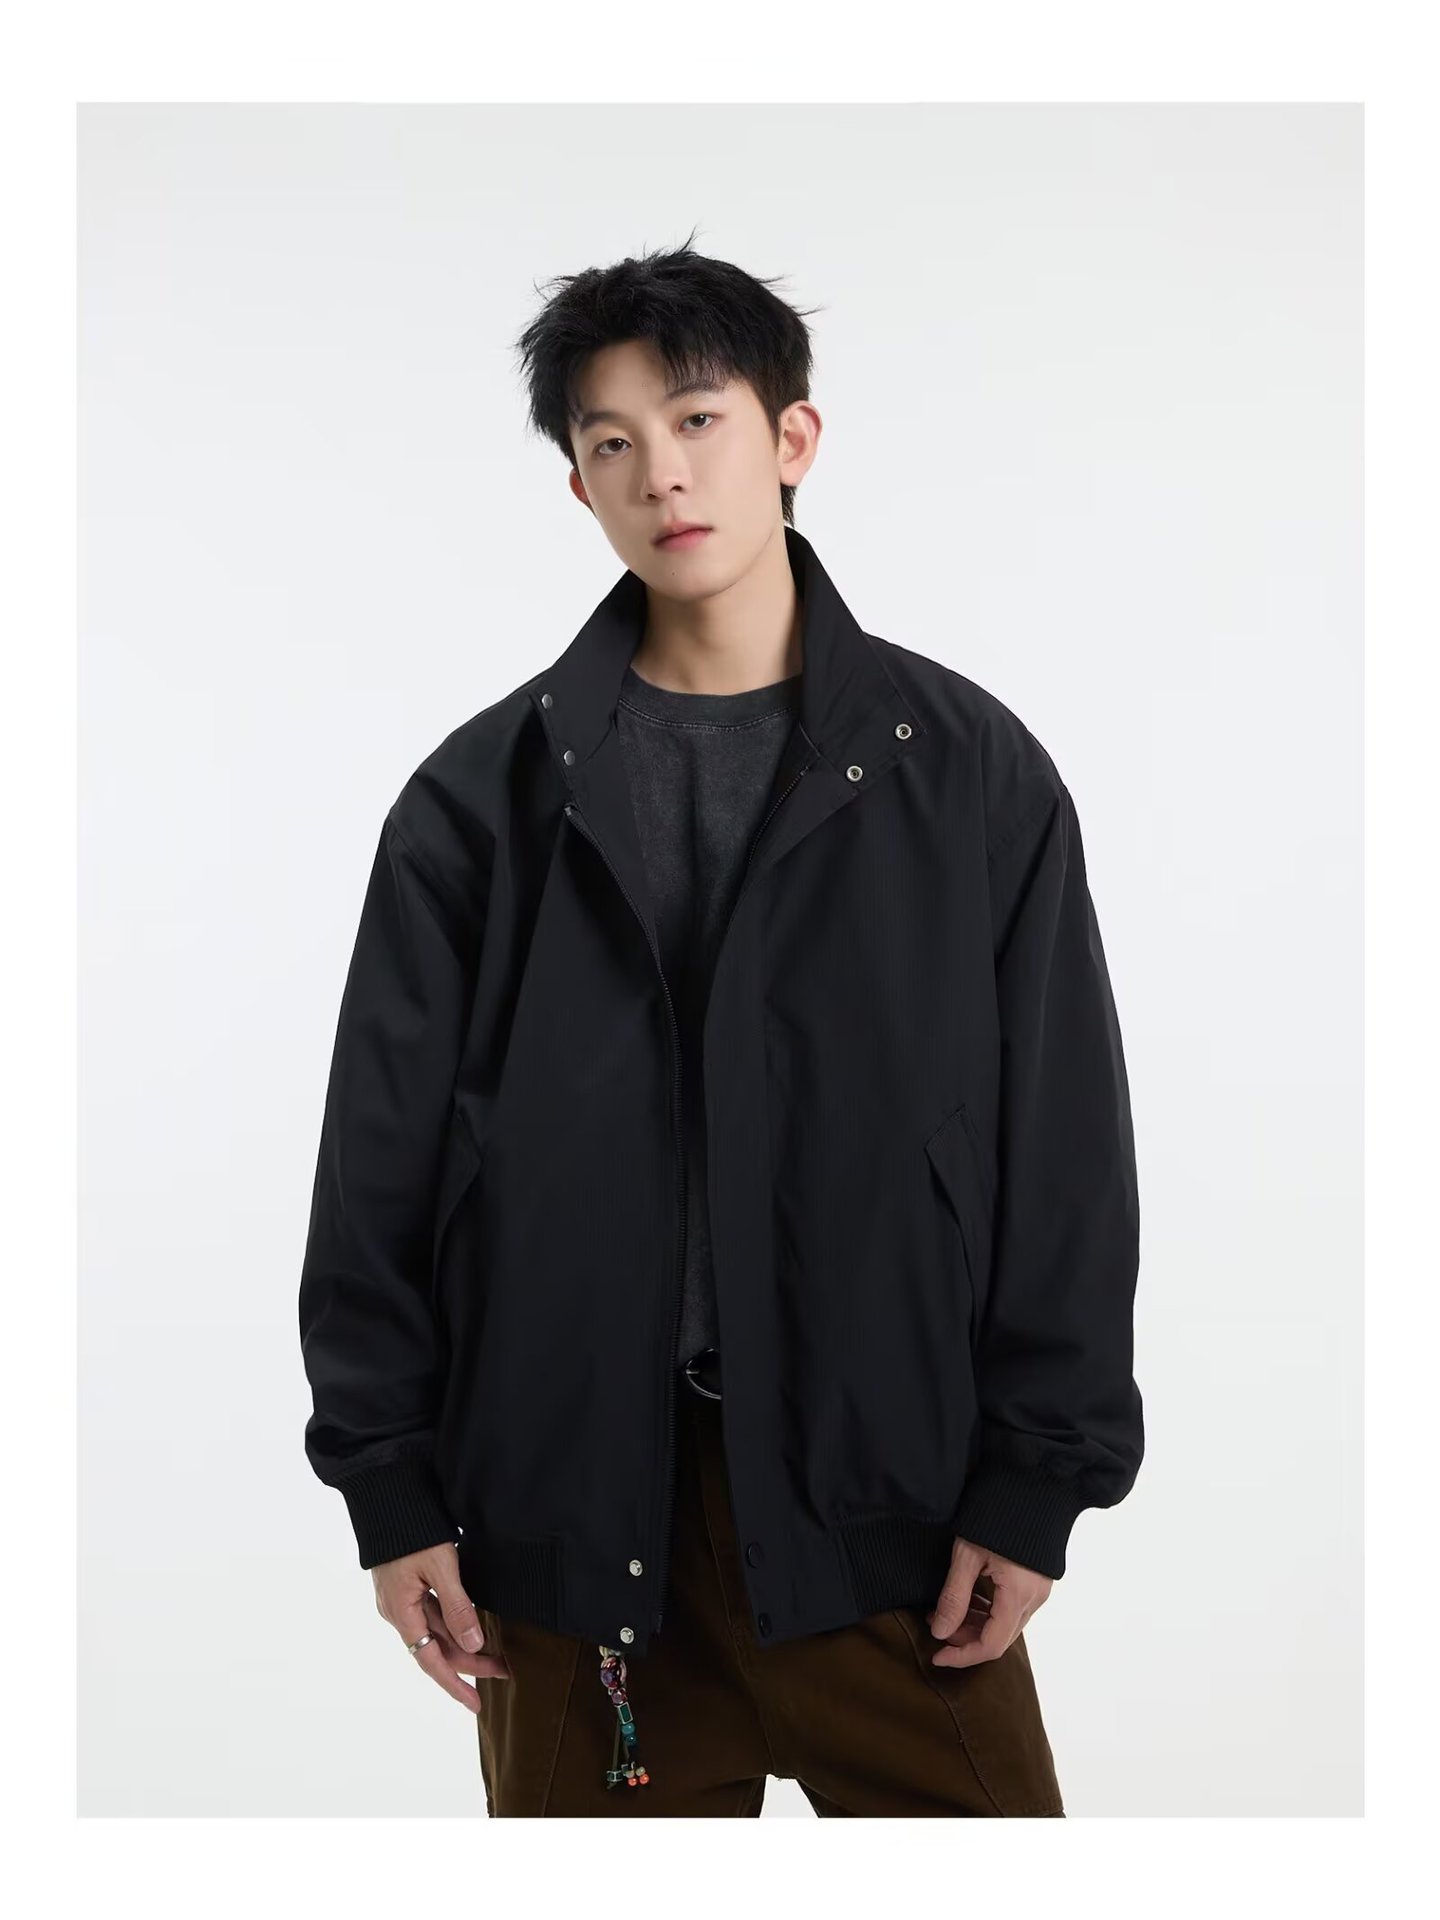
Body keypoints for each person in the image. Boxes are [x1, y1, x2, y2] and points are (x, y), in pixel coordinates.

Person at [297, 230, 1144, 1816]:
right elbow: (379, 1172)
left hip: (890, 1524)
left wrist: (1039, 1478)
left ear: (792, 437)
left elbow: (1064, 1157)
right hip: (569, 1543)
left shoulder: (970, 777)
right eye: (612, 442)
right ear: (579, 488)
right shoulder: (479, 804)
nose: (663, 474)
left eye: (697, 420)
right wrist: (390, 1488)